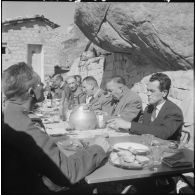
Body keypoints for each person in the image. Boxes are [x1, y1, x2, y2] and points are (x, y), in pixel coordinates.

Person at [2, 62, 111, 193]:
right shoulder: (20, 124)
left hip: (25, 181)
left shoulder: (10, 113)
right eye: (40, 84)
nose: (44, 87)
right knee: (91, 188)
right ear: (31, 92)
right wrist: (98, 148)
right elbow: (68, 172)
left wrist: (60, 139)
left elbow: (32, 149)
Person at [107, 73, 184, 141]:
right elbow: (144, 129)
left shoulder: (174, 111)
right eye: (147, 90)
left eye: (152, 91)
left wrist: (129, 125)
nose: (147, 94)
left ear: (164, 93)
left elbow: (163, 133)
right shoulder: (149, 109)